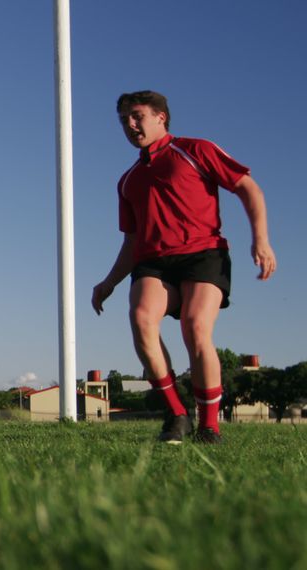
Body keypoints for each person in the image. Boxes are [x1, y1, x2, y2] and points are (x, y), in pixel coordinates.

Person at [92, 90, 276, 445]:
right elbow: (131, 241)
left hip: (203, 254)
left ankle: (209, 427)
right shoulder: (128, 180)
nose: (130, 125)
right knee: (142, 318)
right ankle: (176, 415)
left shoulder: (195, 150)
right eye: (123, 120)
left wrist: (261, 240)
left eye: (137, 115)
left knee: (195, 327)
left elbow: (248, 188)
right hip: (154, 262)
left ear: (161, 117)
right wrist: (109, 281)